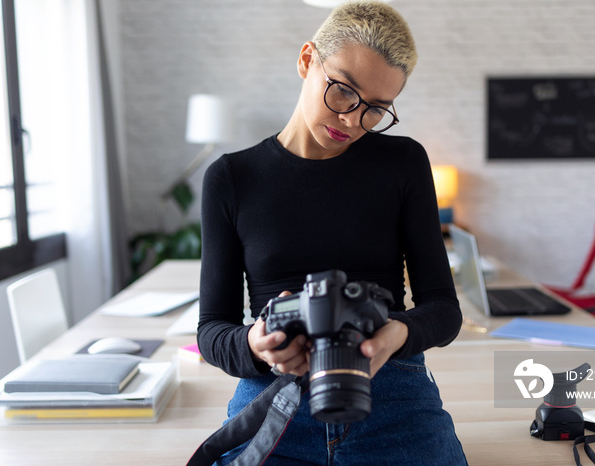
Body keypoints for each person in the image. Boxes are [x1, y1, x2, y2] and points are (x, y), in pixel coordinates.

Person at [198, 1, 467, 464]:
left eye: (376, 110)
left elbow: (443, 308)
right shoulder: (231, 178)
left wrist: (395, 335)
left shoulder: (403, 163)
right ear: (307, 60)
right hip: (275, 395)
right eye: (343, 91)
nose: (352, 120)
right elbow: (211, 331)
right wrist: (256, 347)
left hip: (390, 385)